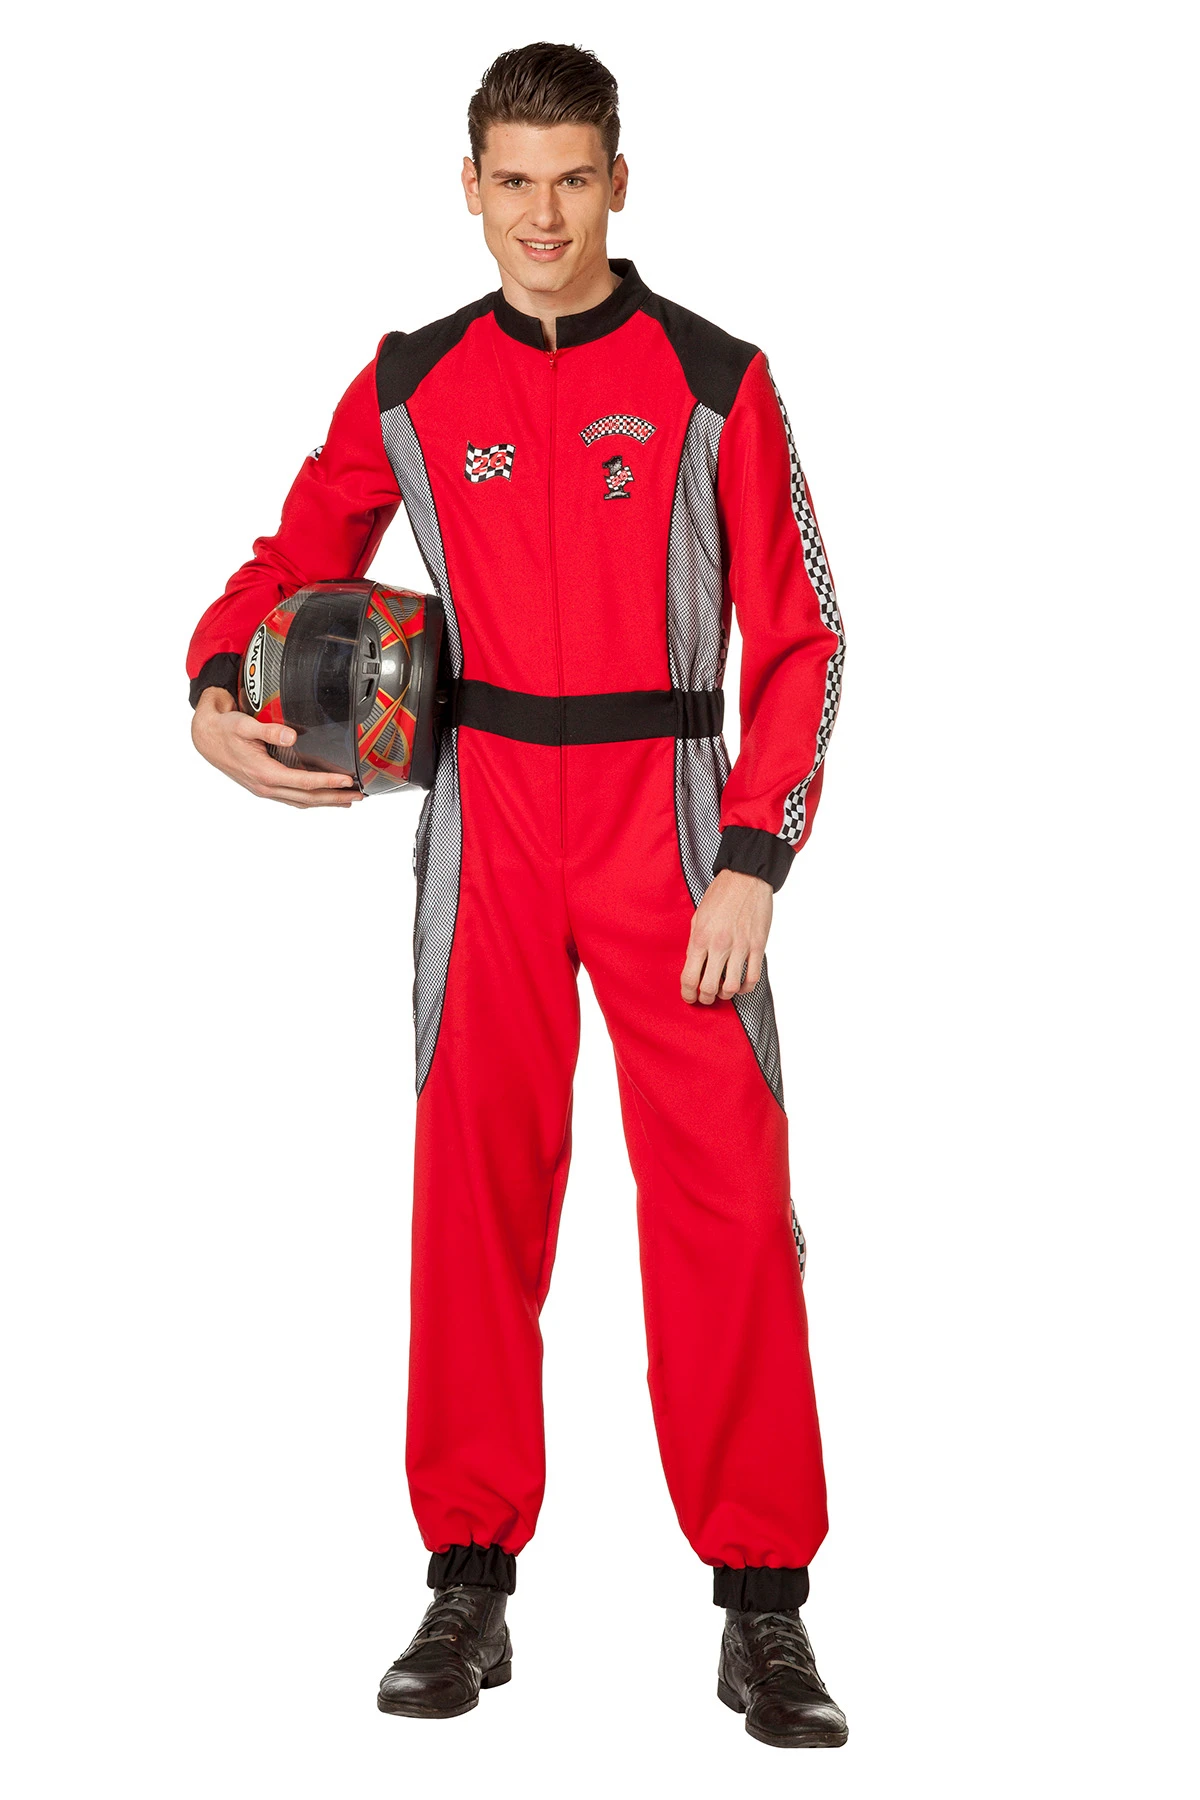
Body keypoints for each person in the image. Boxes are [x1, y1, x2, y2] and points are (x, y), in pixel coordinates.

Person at [188, 41, 848, 1751]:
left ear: (620, 183)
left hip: (668, 824)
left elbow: (804, 639)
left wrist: (753, 859)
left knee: (724, 1202)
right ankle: (466, 1582)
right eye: (512, 181)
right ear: (467, 188)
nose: (542, 216)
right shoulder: (414, 382)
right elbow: (293, 561)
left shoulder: (714, 379)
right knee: (472, 1198)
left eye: (572, 180)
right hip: (484, 819)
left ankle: (763, 1608)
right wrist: (213, 685)